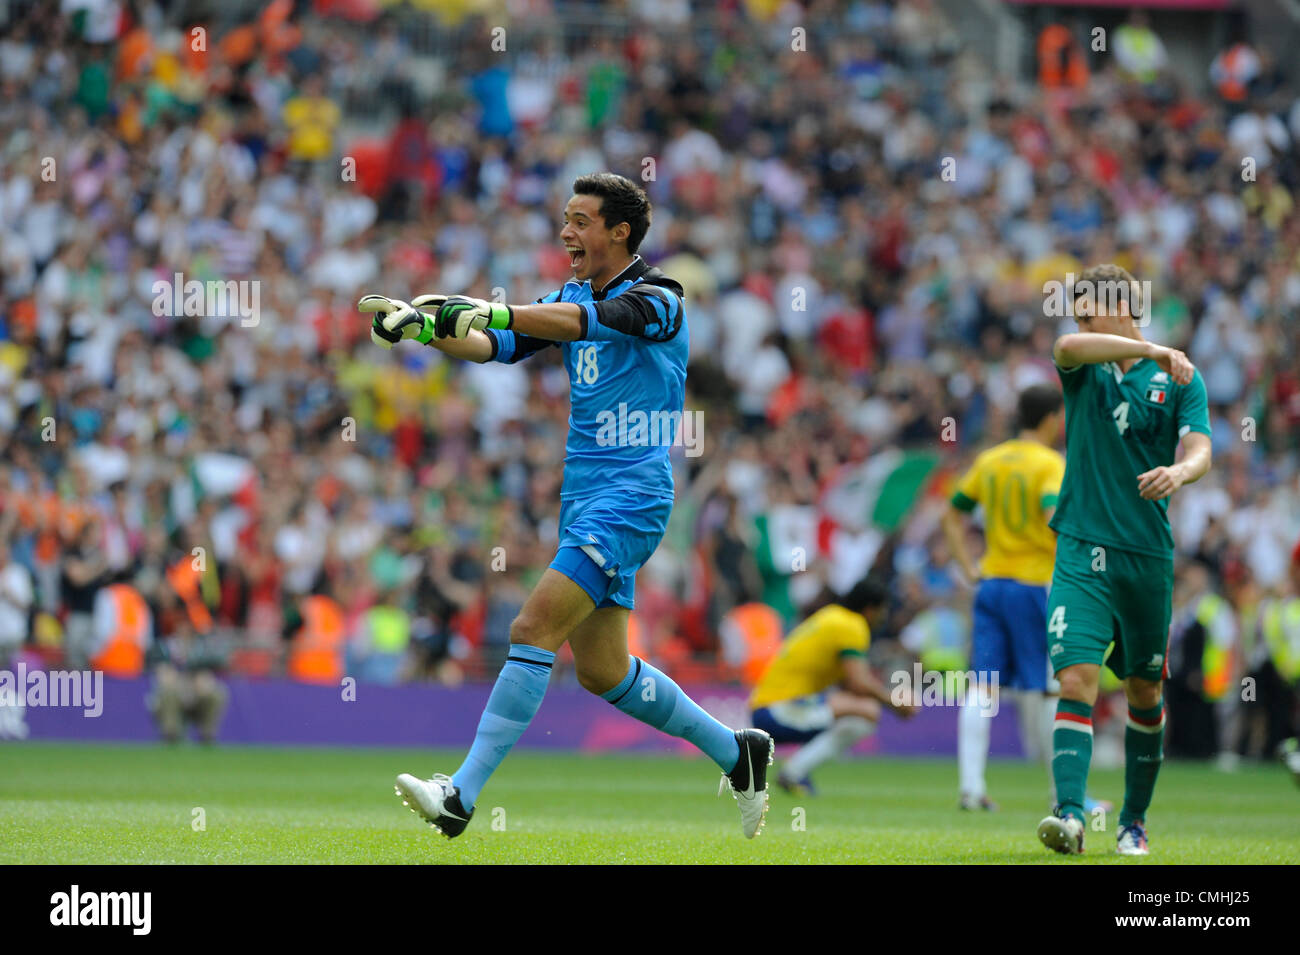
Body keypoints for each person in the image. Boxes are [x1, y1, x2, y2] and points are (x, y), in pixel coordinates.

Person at [359, 173, 773, 839]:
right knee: (604, 670)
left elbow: (581, 323)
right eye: (565, 218)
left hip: (631, 498)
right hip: (582, 499)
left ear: (621, 231)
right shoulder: (568, 294)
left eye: (580, 220)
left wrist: (490, 309)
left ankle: (460, 795)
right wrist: (424, 329)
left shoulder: (660, 298)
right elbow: (496, 344)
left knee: (530, 629)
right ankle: (738, 752)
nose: (566, 233)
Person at [1037, 264, 1212, 856]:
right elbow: (1066, 345)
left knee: (1143, 692)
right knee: (1077, 678)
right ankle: (1069, 815)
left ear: (1125, 306)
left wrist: (1181, 472)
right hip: (1082, 548)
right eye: (1078, 308)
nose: (1080, 318)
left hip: (1146, 558)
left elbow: (1201, 447)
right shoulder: (1086, 369)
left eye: (1091, 308)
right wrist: (1153, 346)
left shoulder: (1181, 379)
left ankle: (1133, 822)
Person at [941, 383, 1065, 811]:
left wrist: (967, 566)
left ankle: (971, 788)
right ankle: (1062, 796)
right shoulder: (1051, 465)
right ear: (1052, 418)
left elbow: (952, 514)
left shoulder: (989, 460)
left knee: (982, 687)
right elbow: (1054, 519)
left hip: (990, 583)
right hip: (1035, 585)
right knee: (1049, 690)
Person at [749, 576, 916, 795]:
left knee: (858, 709)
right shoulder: (852, 626)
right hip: (777, 711)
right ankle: (794, 772)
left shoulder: (832, 617)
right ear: (870, 609)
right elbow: (858, 683)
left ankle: (795, 771)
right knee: (867, 711)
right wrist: (895, 702)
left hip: (766, 708)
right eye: (883, 610)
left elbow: (848, 683)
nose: (884, 617)